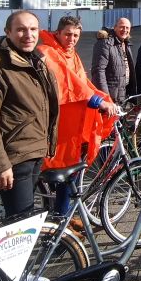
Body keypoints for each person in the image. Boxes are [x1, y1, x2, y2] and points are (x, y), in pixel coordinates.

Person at [0, 10, 59, 218]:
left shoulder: (35, 61)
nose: (28, 35)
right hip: (16, 157)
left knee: (23, 222)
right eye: (20, 30)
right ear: (8, 32)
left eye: (33, 29)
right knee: (19, 228)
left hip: (36, 152)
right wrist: (0, 166)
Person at [37, 16, 117, 215]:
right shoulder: (47, 52)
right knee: (64, 169)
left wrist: (104, 99)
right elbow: (68, 84)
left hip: (71, 124)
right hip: (58, 124)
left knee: (70, 169)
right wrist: (98, 101)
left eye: (75, 35)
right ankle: (61, 217)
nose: (71, 39)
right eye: (68, 34)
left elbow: (83, 84)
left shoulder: (71, 54)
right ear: (58, 33)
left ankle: (63, 214)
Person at [91, 17, 136, 104]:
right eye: (122, 27)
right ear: (115, 27)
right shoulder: (105, 43)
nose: (124, 30)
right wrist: (106, 98)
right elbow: (98, 71)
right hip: (110, 97)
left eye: (127, 28)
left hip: (122, 95)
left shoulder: (125, 44)